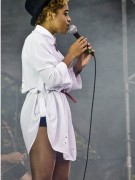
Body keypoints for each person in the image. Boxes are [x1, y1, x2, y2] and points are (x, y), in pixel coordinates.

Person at [20, 0, 94, 179]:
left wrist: (77, 67)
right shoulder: (35, 40)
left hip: (58, 112)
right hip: (42, 112)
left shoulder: (50, 44)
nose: (69, 19)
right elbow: (52, 79)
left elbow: (63, 81)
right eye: (65, 13)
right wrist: (70, 55)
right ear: (50, 14)